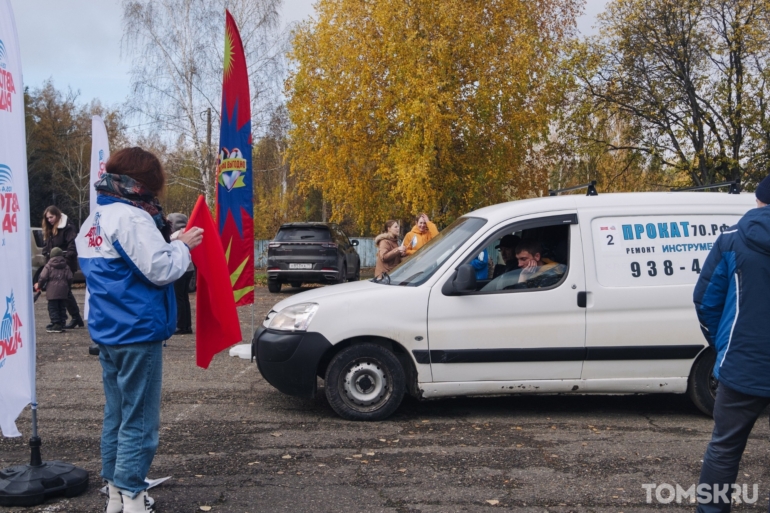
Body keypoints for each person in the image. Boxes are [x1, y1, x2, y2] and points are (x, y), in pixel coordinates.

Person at [76, 147, 203, 513]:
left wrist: (169, 245)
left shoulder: (93, 221)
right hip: (137, 332)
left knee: (116, 415)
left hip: (108, 332)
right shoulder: (132, 218)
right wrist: (182, 247)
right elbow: (160, 270)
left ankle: (116, 495)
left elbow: (124, 269)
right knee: (140, 420)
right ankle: (133, 496)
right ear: (143, 181)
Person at [692, 175, 770, 513]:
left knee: (724, 449)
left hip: (743, 363)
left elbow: (706, 302)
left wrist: (724, 347)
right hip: (743, 361)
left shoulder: (731, 242)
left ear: (758, 200)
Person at [41, 205, 83, 330]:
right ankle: (73, 318)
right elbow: (48, 245)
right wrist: (46, 253)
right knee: (64, 292)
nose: (49, 220)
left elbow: (73, 245)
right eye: (47, 218)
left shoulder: (67, 228)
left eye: (51, 217)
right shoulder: (52, 229)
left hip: (65, 264)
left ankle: (69, 319)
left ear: (57, 215)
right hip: (58, 264)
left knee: (64, 292)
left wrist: (64, 261)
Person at [35, 247, 73, 333]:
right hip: (63, 291)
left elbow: (43, 277)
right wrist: (68, 286)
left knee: (53, 308)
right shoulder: (66, 266)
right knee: (62, 307)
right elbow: (70, 277)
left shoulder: (48, 266)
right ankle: (62, 323)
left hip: (52, 292)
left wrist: (39, 285)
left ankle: (56, 323)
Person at [168, 213, 195, 335]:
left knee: (178, 298)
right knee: (184, 298)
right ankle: (187, 325)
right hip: (189, 269)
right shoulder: (188, 233)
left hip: (180, 269)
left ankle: (180, 325)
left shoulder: (175, 235)